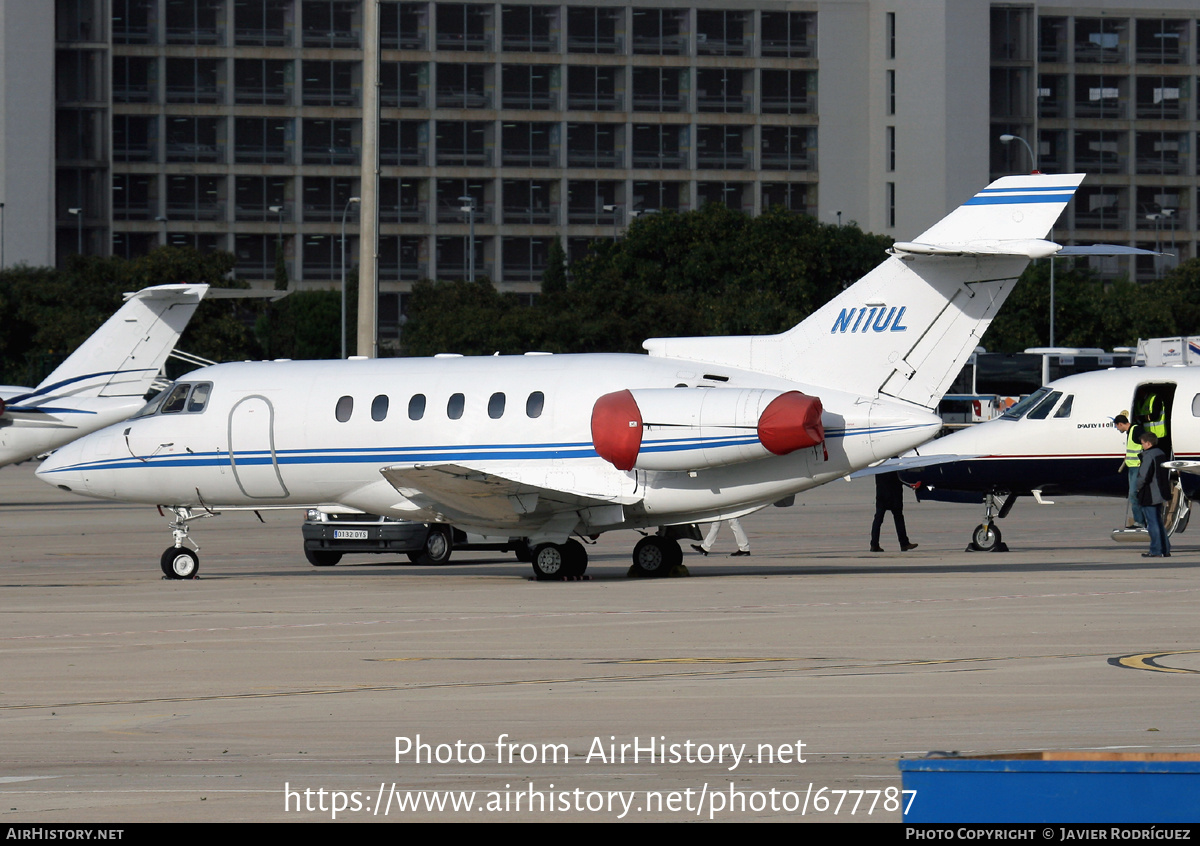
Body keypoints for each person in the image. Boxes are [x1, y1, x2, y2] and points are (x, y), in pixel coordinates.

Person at [1136, 432, 1171, 558]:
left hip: (1150, 493)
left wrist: (1137, 488)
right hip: (1161, 492)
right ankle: (1165, 549)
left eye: (1143, 443)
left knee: (1152, 523)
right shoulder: (1161, 453)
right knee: (1159, 522)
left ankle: (1156, 550)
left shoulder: (1149, 455)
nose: (1142, 446)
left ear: (1148, 443)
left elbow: (1143, 476)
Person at [871, 471, 918, 552]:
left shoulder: (880, 464)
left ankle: (874, 544)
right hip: (894, 494)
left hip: (881, 494)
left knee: (878, 519)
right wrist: (911, 484)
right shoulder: (895, 462)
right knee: (898, 518)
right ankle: (904, 543)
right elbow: (901, 478)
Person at [1113, 412, 1145, 528]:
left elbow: (1147, 443)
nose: (1118, 429)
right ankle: (1140, 520)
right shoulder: (1130, 431)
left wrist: (1143, 458)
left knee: (1133, 494)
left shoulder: (1136, 430)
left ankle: (1140, 522)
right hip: (1131, 467)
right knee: (1133, 494)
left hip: (1137, 467)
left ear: (1120, 424)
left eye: (1117, 427)